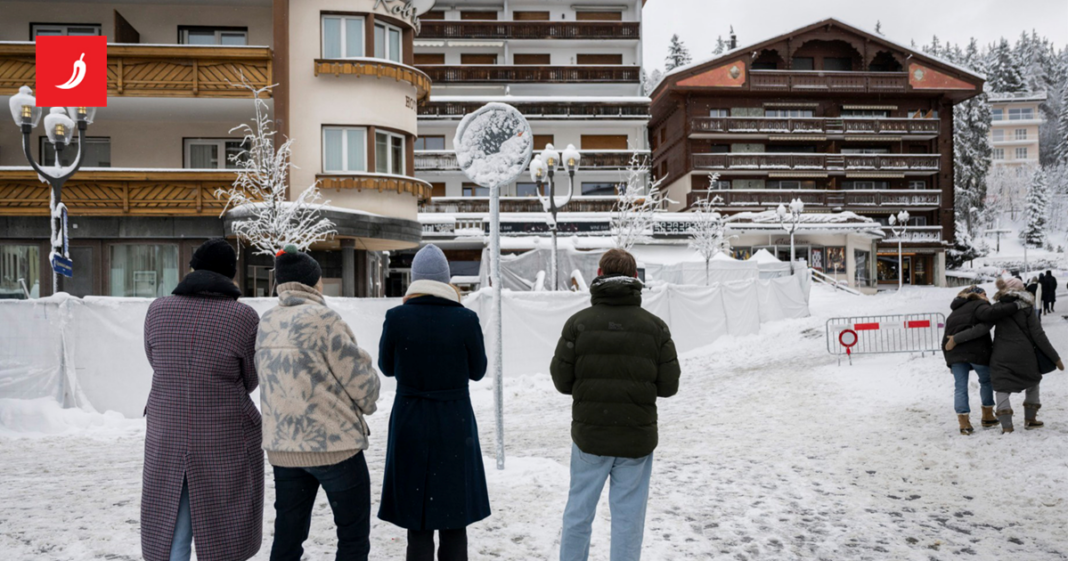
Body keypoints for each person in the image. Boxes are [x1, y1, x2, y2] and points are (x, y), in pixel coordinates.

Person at [551, 248, 681, 561]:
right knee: (628, 519)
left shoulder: (577, 324)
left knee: (578, 512)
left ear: (598, 276)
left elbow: (561, 380)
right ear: (635, 279)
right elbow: (669, 386)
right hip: (636, 439)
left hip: (590, 437)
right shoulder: (656, 328)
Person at [256, 245, 381, 561]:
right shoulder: (323, 320)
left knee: (287, 535)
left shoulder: (266, 322)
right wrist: (368, 400)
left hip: (284, 448)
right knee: (352, 537)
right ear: (312, 283)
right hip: (332, 444)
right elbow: (359, 380)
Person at [141, 238, 263, 561]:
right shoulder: (244, 318)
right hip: (224, 436)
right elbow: (251, 377)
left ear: (191, 269)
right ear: (231, 275)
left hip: (166, 431)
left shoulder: (157, 310)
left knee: (172, 527)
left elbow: (156, 360)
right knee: (224, 531)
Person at [378, 244, 490, 561]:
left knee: (418, 521)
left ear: (416, 279)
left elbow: (386, 367)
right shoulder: (466, 319)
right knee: (454, 520)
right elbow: (478, 371)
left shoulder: (397, 317)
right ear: (446, 280)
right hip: (454, 421)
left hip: (409, 419)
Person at [942, 285, 1023, 434]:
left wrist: (949, 361)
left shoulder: (953, 313)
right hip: (977, 351)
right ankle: (987, 416)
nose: (987, 297)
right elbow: (993, 314)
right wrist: (1017, 304)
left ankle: (964, 423)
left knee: (960, 387)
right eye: (985, 294)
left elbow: (945, 338)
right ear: (977, 295)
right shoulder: (979, 305)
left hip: (955, 355)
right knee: (986, 381)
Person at [989, 277, 1065, 433]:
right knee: (1032, 382)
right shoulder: (1027, 308)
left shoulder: (996, 308)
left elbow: (982, 327)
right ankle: (1030, 419)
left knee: (1002, 387)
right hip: (1025, 354)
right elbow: (1038, 335)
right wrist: (1055, 358)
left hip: (1000, 353)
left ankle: (1007, 426)